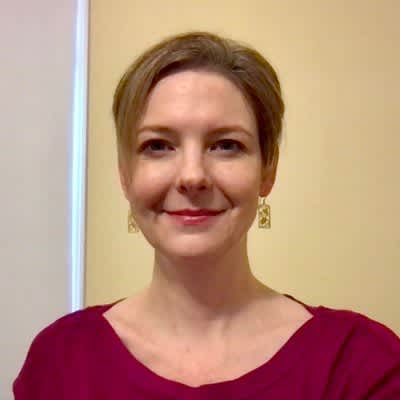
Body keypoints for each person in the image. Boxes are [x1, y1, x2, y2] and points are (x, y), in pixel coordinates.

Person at [14, 31, 400, 399]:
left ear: (268, 170)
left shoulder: (361, 364)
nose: (192, 176)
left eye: (226, 145)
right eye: (158, 145)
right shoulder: (59, 362)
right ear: (125, 175)